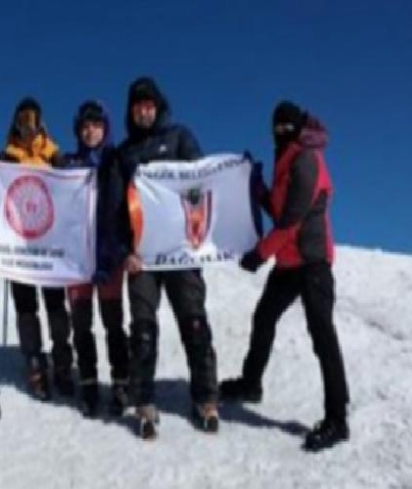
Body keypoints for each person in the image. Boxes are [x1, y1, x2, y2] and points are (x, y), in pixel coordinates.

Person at [220, 101, 350, 452]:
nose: (280, 131)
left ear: (298, 126)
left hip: (312, 261)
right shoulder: (285, 159)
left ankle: (337, 419)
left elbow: (292, 219)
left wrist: (259, 254)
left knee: (322, 335)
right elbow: (279, 210)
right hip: (289, 263)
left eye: (286, 126)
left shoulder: (306, 159)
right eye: (276, 127)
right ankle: (251, 383)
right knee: (264, 317)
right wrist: (259, 189)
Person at [117, 77, 219, 439]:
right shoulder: (124, 153)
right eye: (137, 106)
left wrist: (197, 233)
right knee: (142, 330)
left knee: (194, 322)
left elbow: (201, 180)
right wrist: (125, 251)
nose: (144, 112)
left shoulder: (179, 138)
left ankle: (206, 398)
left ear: (158, 107)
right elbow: (116, 208)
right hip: (143, 255)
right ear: (131, 111)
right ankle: (144, 401)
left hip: (180, 251)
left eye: (149, 105)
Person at [0, 97, 74, 401]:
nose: (28, 125)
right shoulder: (7, 157)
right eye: (22, 119)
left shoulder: (54, 156)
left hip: (49, 246)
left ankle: (62, 362)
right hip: (20, 247)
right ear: (15, 123)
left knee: (56, 306)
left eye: (33, 119)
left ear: (41, 123)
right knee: (26, 307)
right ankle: (35, 364)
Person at [64, 101, 129, 417]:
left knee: (113, 323)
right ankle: (88, 382)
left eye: (96, 125)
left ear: (106, 128)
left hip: (110, 255)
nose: (90, 131)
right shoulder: (68, 165)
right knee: (81, 325)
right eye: (85, 127)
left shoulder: (117, 160)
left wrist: (114, 254)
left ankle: (121, 382)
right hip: (77, 259)